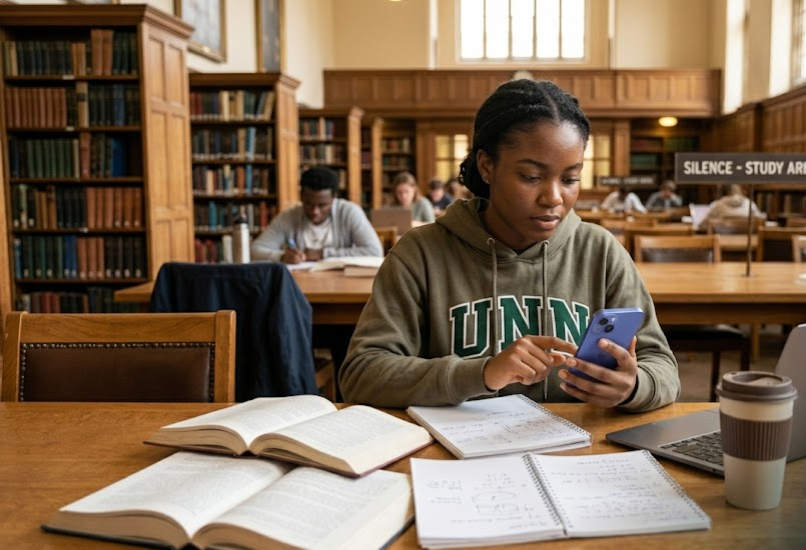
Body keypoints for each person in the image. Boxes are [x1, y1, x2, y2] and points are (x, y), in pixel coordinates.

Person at [339, 79, 679, 412]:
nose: (554, 197)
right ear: (487, 166)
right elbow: (361, 374)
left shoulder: (600, 252)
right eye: (531, 177)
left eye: (570, 178)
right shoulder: (421, 253)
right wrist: (482, 373)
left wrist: (634, 386)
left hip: (577, 452)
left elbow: (662, 367)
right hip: (455, 457)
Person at [250, 166, 382, 262]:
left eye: (322, 205)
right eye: (309, 204)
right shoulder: (289, 217)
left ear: (334, 198)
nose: (315, 211)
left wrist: (323, 254)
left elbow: (375, 252)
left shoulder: (349, 212)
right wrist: (282, 256)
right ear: (301, 196)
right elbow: (255, 250)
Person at [699, 183, 764, 230]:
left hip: (721, 245)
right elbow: (761, 221)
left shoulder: (717, 205)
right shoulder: (750, 204)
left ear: (720, 191)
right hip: (751, 246)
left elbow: (702, 225)